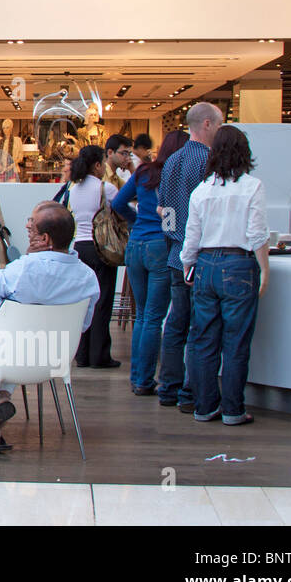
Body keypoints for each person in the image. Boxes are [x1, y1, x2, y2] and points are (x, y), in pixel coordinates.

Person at [0, 202, 99, 452]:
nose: (26, 226)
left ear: (44, 238)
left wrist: (28, 259)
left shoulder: (25, 268)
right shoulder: (88, 278)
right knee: (17, 345)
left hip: (9, 353)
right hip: (56, 357)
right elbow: (84, 325)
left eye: (31, 224)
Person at [180, 126, 269, 426]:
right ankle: (233, 409)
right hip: (239, 266)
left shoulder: (202, 190)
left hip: (205, 265)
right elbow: (257, 234)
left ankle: (204, 407)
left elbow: (191, 237)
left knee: (203, 339)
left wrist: (187, 265)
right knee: (235, 341)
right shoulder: (252, 186)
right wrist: (265, 270)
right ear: (244, 151)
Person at [157, 101, 223, 411]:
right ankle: (190, 393)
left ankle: (168, 387)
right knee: (200, 328)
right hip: (199, 256)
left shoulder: (171, 162)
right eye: (219, 125)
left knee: (175, 325)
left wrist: (174, 237)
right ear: (207, 124)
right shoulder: (210, 160)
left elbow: (166, 210)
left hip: (174, 255)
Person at [113, 130, 189, 395]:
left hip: (136, 245)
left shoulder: (144, 171)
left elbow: (118, 202)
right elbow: (170, 217)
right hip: (160, 246)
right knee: (154, 317)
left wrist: (137, 222)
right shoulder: (176, 176)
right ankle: (144, 380)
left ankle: (138, 378)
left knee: (143, 316)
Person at [62, 145, 119, 368]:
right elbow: (120, 213)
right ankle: (100, 355)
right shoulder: (106, 189)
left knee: (83, 301)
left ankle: (82, 354)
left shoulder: (73, 188)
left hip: (80, 247)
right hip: (102, 247)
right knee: (102, 301)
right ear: (97, 165)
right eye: (103, 161)